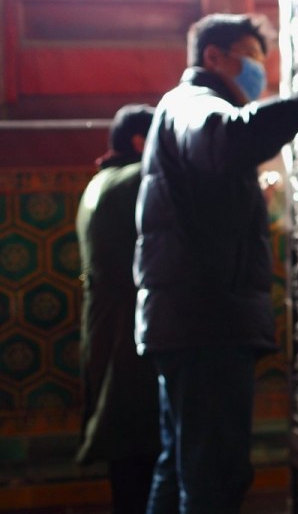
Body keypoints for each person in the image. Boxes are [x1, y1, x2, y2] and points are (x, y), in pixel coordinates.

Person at [134, 12, 298, 514]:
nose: (259, 70)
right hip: (206, 324)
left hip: (191, 321)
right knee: (213, 477)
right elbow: (230, 138)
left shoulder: (181, 108)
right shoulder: (194, 104)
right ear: (214, 57)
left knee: (181, 468)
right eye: (253, 58)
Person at [76, 103, 159, 514]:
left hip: (108, 325)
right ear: (141, 142)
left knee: (124, 441)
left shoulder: (101, 181)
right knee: (134, 443)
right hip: (125, 329)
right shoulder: (130, 181)